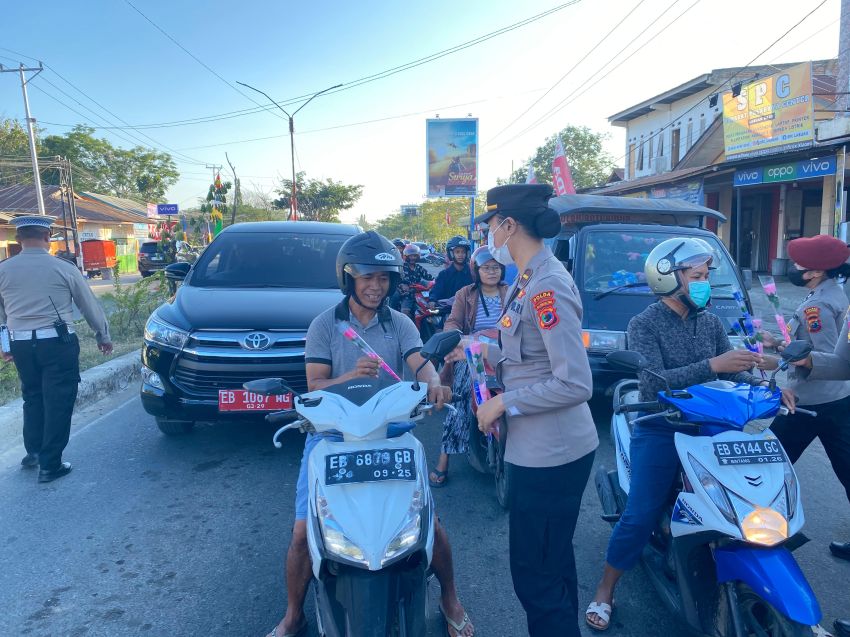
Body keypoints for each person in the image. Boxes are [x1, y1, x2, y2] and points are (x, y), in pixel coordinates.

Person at [267, 231, 473, 637]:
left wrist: (434, 382)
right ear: (348, 278)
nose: (376, 286)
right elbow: (314, 385)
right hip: (332, 435)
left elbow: (419, 362)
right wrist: (350, 376)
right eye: (367, 278)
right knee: (302, 531)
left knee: (430, 524)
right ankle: (294, 613)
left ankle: (449, 597)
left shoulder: (399, 324)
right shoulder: (324, 325)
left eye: (384, 278)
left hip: (389, 432)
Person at [584, 237, 794, 631]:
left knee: (748, 498)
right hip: (661, 425)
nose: (704, 283)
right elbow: (653, 383)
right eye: (696, 276)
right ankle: (606, 589)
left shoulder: (711, 321)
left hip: (712, 426)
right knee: (640, 514)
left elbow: (735, 371)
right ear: (668, 279)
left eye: (706, 276)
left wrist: (768, 389)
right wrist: (713, 364)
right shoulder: (644, 323)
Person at [447, 184, 598, 636]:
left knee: (536, 576)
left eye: (491, 225)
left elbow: (575, 381)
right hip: (538, 448)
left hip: (553, 453)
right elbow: (526, 355)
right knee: (551, 564)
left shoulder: (547, 284)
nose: (488, 236)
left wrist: (503, 401)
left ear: (509, 225)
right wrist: (473, 346)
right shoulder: (527, 277)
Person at [0, 215, 112, 483]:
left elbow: (1, 315)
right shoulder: (64, 268)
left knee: (33, 396)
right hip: (57, 344)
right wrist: (103, 335)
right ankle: (51, 464)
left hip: (21, 344)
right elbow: (88, 305)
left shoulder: (3, 269)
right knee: (58, 401)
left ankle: (34, 453)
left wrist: (5, 346)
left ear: (18, 239)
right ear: (48, 238)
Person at [757, 235, 850, 538]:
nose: (794, 268)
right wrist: (780, 342)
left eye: (799, 264)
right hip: (838, 400)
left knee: (766, 463)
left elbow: (824, 359)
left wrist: (782, 355)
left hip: (809, 401)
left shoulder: (819, 305)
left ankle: (756, 529)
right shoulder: (832, 292)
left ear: (815, 271)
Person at [429, 245, 508, 488]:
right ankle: (444, 460)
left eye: (496, 267)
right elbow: (453, 320)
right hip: (472, 353)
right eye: (486, 267)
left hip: (505, 352)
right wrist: (455, 337)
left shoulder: (512, 291)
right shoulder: (466, 293)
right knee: (462, 400)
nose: (492, 272)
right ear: (477, 270)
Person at [431, 236, 473, 303]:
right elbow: (437, 290)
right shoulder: (444, 274)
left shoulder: (472, 273)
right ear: (451, 254)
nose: (460, 255)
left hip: (469, 309)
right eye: (457, 252)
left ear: (467, 254)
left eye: (463, 252)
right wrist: (432, 300)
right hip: (448, 310)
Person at [397, 243, 433, 319]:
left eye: (415, 256)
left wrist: (436, 282)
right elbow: (397, 279)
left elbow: (430, 277)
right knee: (404, 315)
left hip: (420, 295)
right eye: (411, 256)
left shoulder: (419, 268)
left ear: (418, 256)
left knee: (431, 309)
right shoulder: (402, 267)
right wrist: (402, 285)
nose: (413, 258)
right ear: (407, 256)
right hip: (408, 295)